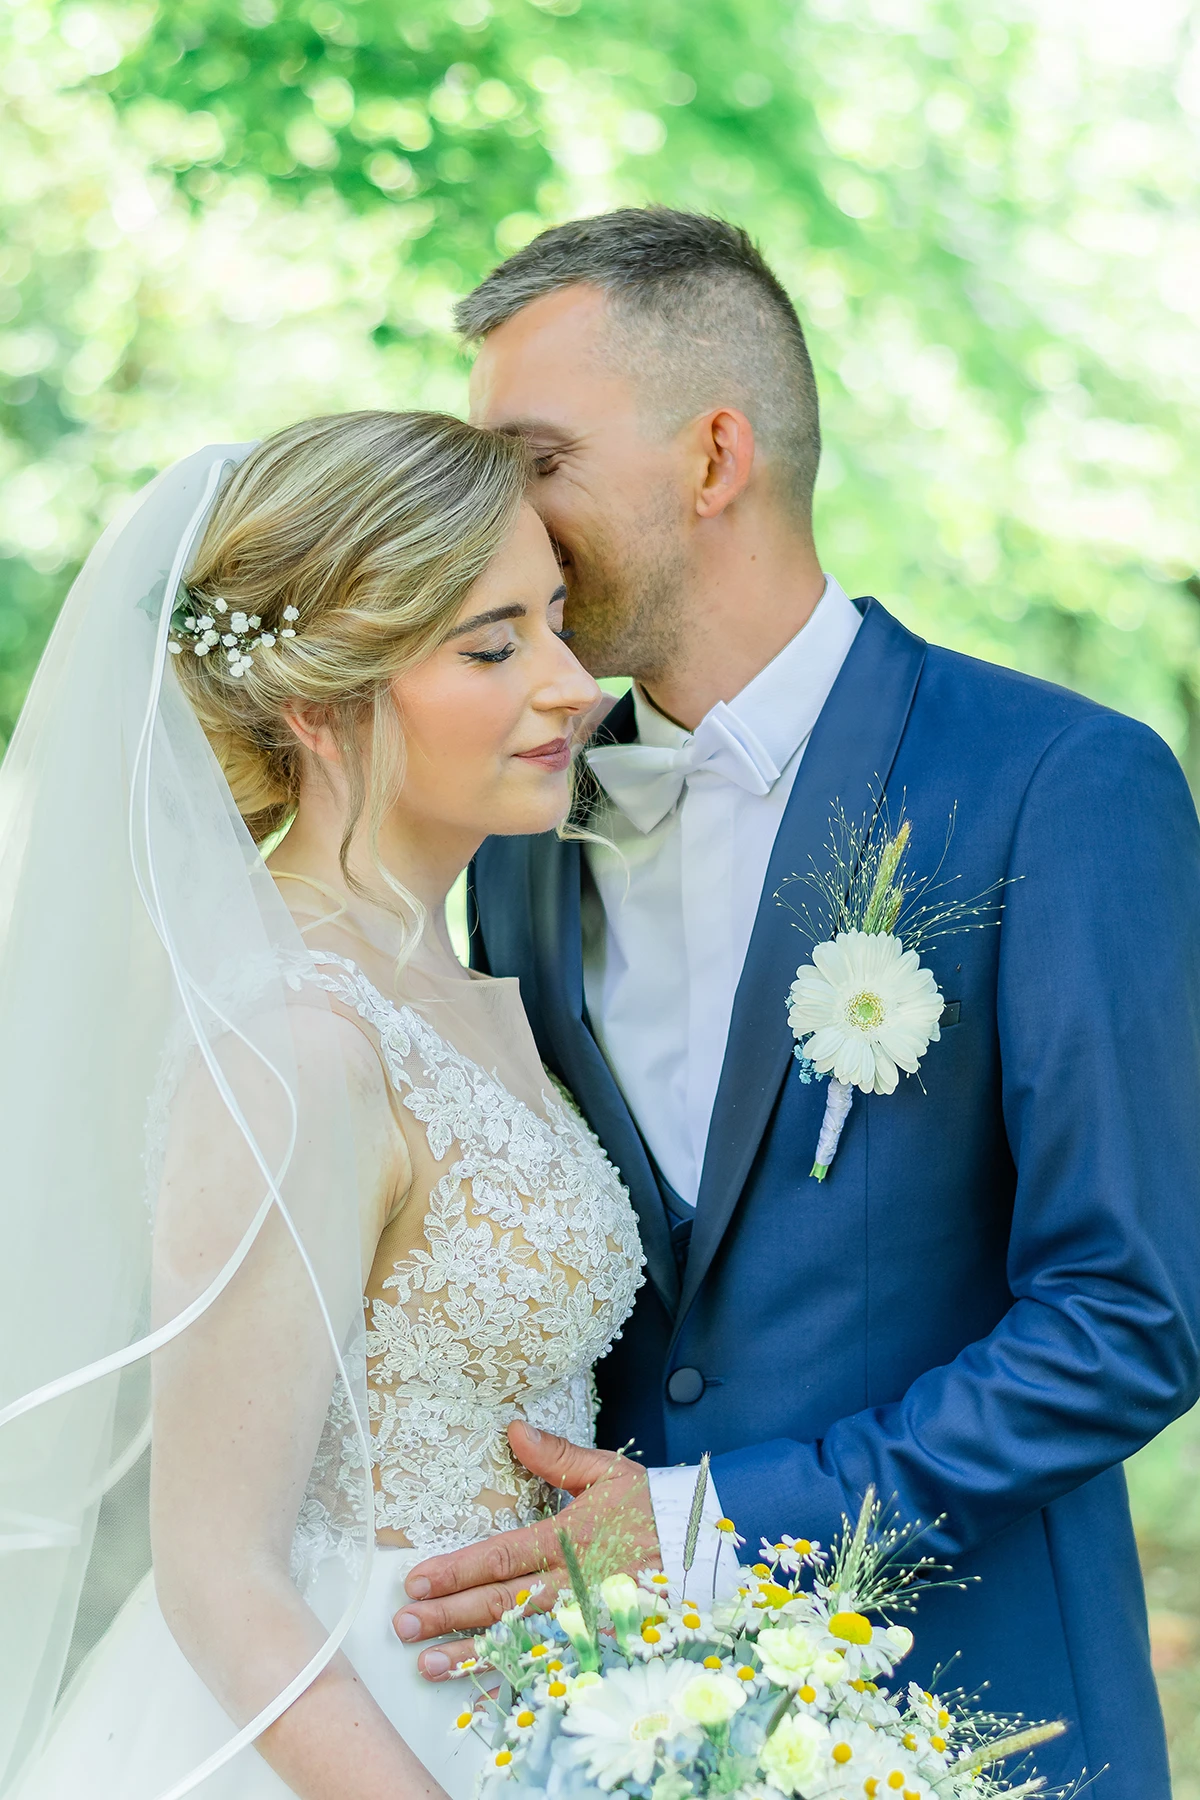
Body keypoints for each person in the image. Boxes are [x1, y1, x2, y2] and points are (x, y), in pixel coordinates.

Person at [392, 209, 1200, 1799]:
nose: (499, 516)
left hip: (979, 1715)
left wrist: (712, 1525)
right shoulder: (524, 834)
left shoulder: (1059, 785)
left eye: (534, 460)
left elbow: (1129, 1320)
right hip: (607, 1722)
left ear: (714, 458)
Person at [0, 411, 646, 1800]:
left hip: (534, 1707)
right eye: (493, 649)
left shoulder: (453, 980)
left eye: (556, 623)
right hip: (350, 1728)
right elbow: (218, 1571)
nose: (573, 685)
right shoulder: (295, 1039)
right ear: (319, 704)